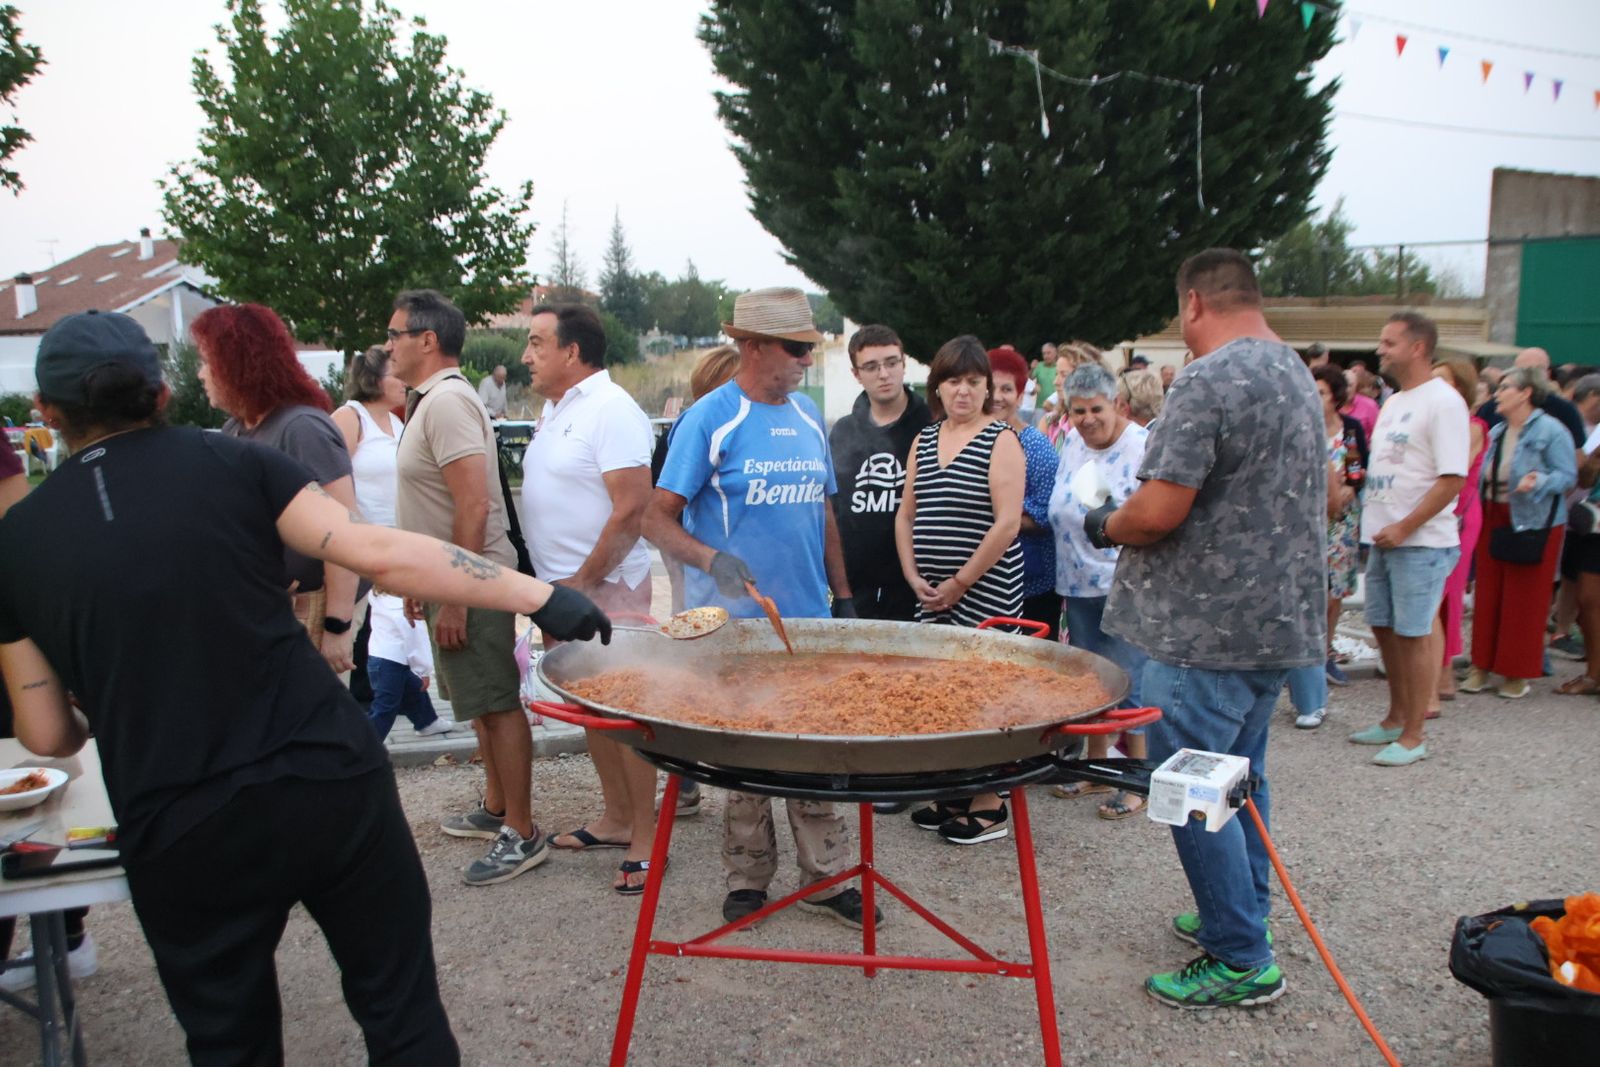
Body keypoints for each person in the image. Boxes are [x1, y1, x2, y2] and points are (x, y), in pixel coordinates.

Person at [0, 310, 610, 1065]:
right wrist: (540, 597)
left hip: (181, 812)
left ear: (47, 413)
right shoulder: (237, 463)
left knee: (231, 1041)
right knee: (402, 1012)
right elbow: (377, 549)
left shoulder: (17, 541)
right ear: (160, 393)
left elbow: (48, 734)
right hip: (326, 775)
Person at [1089, 249, 1324, 1009]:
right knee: (1240, 779)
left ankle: (1239, 955)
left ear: (1194, 303)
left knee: (1189, 786)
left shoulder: (1208, 378)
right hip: (1273, 623)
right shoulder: (1292, 370)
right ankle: (1239, 910)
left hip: (1203, 632)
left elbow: (1157, 511)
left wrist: (1105, 523)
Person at [643, 287, 871, 929]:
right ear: (750, 345)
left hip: (808, 624)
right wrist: (711, 560)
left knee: (814, 754)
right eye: (795, 347)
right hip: (735, 631)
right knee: (743, 763)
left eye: (809, 346)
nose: (805, 358)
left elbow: (824, 510)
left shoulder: (805, 417)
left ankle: (825, 879)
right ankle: (747, 881)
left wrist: (845, 597)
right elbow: (654, 519)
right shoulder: (711, 418)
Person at [387, 289, 541, 886]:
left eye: (396, 335)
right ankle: (498, 806)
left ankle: (522, 832)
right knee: (476, 702)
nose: (388, 346)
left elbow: (474, 504)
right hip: (447, 579)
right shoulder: (432, 401)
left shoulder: (448, 401)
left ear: (427, 340)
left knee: (497, 704)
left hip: (469, 583)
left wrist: (455, 592)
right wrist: (421, 580)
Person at [519, 303, 659, 895]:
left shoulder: (611, 408)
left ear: (571, 352)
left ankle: (648, 839)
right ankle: (616, 817)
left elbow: (632, 507)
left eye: (536, 343)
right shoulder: (556, 409)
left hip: (606, 589)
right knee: (589, 710)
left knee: (625, 713)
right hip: (564, 593)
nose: (526, 356)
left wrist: (584, 581)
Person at [896, 336, 1024, 845]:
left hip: (984, 592)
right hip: (931, 593)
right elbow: (907, 512)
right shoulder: (924, 439)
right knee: (941, 694)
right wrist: (912, 574)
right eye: (953, 381)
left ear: (987, 388)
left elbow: (1007, 524)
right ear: (938, 387)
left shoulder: (1001, 440)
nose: (963, 391)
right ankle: (954, 788)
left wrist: (960, 582)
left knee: (987, 693)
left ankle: (990, 802)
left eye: (973, 381)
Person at [192, 304, 361, 674]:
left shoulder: (302, 428)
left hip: (312, 609)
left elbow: (346, 532)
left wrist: (337, 625)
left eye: (207, 361)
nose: (200, 373)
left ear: (234, 364)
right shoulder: (235, 430)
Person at [1349, 312, 1468, 766]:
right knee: (1383, 627)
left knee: (1414, 634)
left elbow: (1452, 477)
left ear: (1417, 347)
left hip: (1419, 541)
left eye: (1389, 341)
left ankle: (1416, 735)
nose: (1380, 349)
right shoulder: (1397, 401)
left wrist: (1405, 525)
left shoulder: (1444, 401)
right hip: (1384, 537)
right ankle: (1396, 717)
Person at [1045, 362, 1150, 820]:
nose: (1087, 419)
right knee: (1093, 681)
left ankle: (1137, 779)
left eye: (1096, 410)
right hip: (1076, 581)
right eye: (1077, 410)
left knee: (1130, 680)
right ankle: (1095, 767)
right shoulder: (1072, 441)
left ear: (1118, 405)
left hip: (1122, 585)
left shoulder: (1143, 446)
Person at [333, 345, 452, 738]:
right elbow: (330, 476)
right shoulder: (351, 418)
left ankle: (419, 714)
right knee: (365, 630)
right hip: (362, 543)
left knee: (397, 627)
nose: (403, 381)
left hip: (397, 543)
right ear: (372, 379)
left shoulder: (399, 424)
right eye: (394, 374)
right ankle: (361, 714)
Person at [1459, 367, 1576, 698]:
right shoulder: (1497, 431)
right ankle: (1481, 665)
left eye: (1505, 387)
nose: (1497, 393)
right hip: (1494, 513)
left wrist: (1539, 481)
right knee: (1489, 594)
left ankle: (1515, 673)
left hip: (1534, 520)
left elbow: (1567, 475)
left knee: (1525, 599)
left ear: (1526, 393)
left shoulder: (1551, 430)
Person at [1283, 364, 1368, 729]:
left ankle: (1327, 650)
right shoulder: (1298, 429)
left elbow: (1356, 472)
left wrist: (1343, 495)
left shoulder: (1348, 430)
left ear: (1334, 395)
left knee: (1332, 594)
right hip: (1304, 524)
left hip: (1338, 523)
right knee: (1310, 600)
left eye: (1320, 392)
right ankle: (1313, 669)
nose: (1315, 399)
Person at [829, 324, 932, 621]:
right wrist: (841, 589)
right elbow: (833, 511)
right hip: (857, 590)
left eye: (891, 363)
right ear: (856, 374)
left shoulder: (931, 427)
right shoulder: (843, 431)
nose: (884, 374)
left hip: (919, 587)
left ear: (903, 364)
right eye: (871, 367)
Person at [987, 345, 1059, 637]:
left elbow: (1046, 517)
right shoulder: (969, 439)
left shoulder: (1036, 447)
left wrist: (1002, 516)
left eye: (1006, 389)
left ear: (1019, 396)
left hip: (1028, 587)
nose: (997, 396)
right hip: (985, 584)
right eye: (990, 387)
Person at [1428, 359, 1487, 712]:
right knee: (1437, 594)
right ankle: (1437, 670)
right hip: (1438, 512)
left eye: (1443, 381)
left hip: (1459, 515)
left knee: (1447, 591)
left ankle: (1445, 671)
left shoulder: (1473, 425)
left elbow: (1454, 470)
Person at [1478, 347, 1586, 449]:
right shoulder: (1493, 408)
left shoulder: (1564, 410)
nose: (1528, 378)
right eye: (1520, 372)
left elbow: (1576, 453)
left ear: (1547, 374)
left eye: (1534, 372)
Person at [1341, 363, 1381, 442]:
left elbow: (1378, 433)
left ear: (1356, 386)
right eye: (1344, 385)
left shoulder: (1369, 405)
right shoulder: (1332, 404)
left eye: (1350, 385)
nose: (1347, 389)